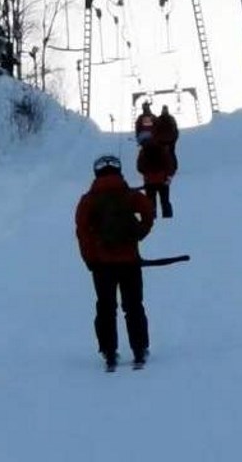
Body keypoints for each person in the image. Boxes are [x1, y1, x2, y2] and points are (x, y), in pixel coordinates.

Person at [75, 154, 155, 370]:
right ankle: (139, 349)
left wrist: (90, 259)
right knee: (134, 305)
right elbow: (148, 211)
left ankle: (109, 352)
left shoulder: (89, 200)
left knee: (105, 307)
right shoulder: (129, 195)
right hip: (130, 261)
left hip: (102, 264)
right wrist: (140, 232)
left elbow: (82, 232)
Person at [136, 137, 174, 218]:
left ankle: (152, 218)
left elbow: (139, 167)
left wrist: (146, 174)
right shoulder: (163, 149)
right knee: (165, 201)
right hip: (163, 180)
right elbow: (169, 164)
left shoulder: (143, 152)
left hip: (149, 181)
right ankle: (168, 219)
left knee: (150, 202)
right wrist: (168, 176)